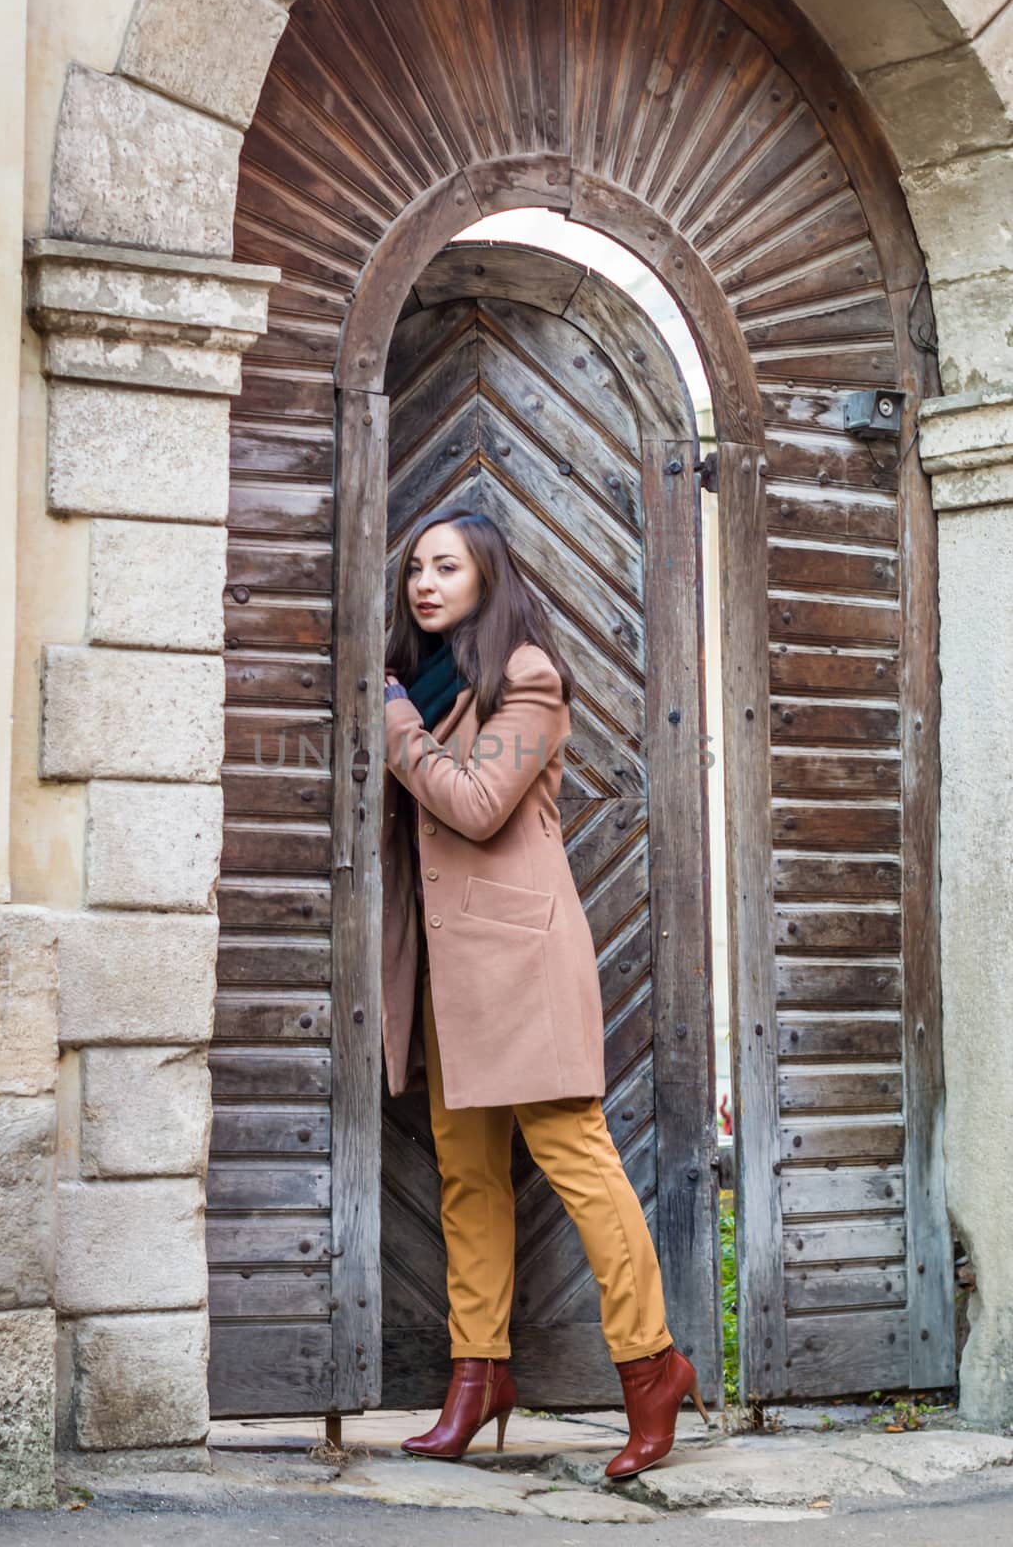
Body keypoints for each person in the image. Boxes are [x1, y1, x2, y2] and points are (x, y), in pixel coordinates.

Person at [380, 504, 709, 1480]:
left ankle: (651, 1367)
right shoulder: (424, 680)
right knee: (465, 1176)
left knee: (578, 1162)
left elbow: (476, 805)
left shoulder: (528, 677)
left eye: (445, 566)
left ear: (487, 575)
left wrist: (394, 720)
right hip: (447, 973)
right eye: (413, 570)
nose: (424, 583)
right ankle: (477, 1378)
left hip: (519, 967)